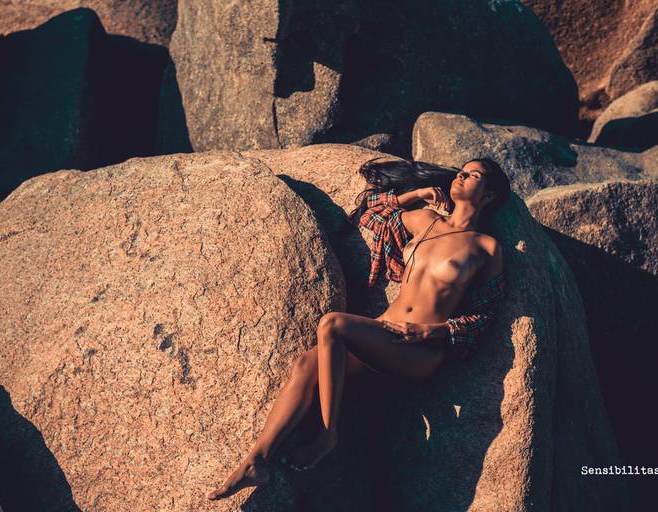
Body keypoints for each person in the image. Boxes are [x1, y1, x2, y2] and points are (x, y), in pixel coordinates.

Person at [208, 156, 510, 501]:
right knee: (306, 364)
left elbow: (484, 316)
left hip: (419, 349)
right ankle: (257, 460)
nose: (461, 176)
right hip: (382, 333)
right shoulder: (425, 220)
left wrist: (431, 332)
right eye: (461, 171)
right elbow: (368, 210)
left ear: (488, 196)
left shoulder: (487, 248)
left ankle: (327, 434)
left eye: (473, 175)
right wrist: (418, 194)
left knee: (333, 325)